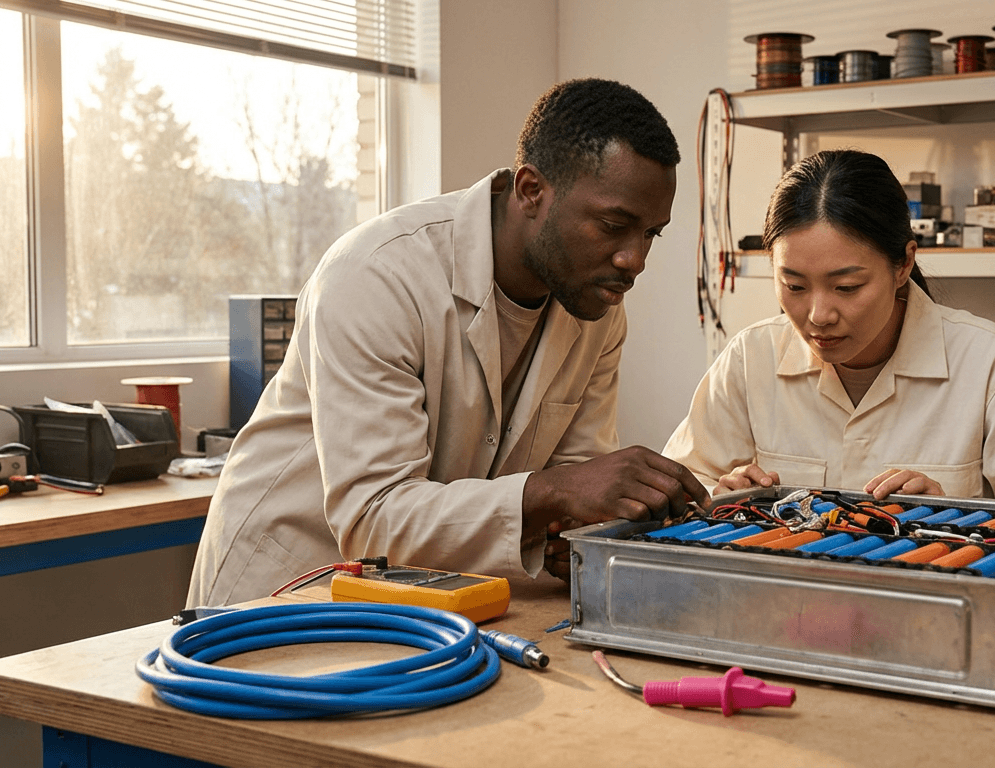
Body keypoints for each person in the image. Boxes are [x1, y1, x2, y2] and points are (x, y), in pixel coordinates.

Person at [188, 78, 709, 607]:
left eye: (650, 234)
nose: (634, 260)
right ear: (531, 190)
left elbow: (575, 494)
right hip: (289, 586)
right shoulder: (378, 276)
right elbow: (374, 520)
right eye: (613, 226)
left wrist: (584, 519)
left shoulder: (595, 308)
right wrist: (557, 493)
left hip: (432, 591)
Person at [663, 149, 995, 507]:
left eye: (847, 287)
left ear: (903, 263)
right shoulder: (749, 359)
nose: (818, 315)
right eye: (793, 285)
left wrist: (959, 519)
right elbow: (682, 487)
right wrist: (716, 500)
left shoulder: (990, 366)